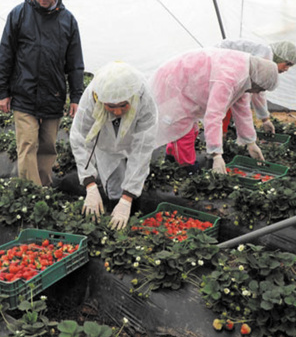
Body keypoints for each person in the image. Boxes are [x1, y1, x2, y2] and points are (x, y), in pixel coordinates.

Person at [0, 0, 84, 186]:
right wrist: (2, 91)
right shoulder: (19, 14)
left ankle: (44, 188)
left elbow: (75, 63)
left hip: (54, 94)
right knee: (27, 144)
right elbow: (6, 53)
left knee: (48, 146)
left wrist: (76, 96)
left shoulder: (68, 20)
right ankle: (31, 194)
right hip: (24, 93)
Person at [151, 48, 279, 175]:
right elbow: (214, 116)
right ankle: (186, 169)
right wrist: (216, 154)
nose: (257, 92)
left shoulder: (245, 76)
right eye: (260, 89)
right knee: (182, 130)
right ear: (257, 81)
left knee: (192, 130)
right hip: (174, 82)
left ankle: (172, 159)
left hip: (188, 83)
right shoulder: (228, 79)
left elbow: (242, 110)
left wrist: (250, 141)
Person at [70, 62, 158, 230]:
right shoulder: (92, 97)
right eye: (111, 106)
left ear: (132, 98)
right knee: (114, 182)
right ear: (100, 99)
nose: (117, 112)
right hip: (106, 144)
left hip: (134, 139)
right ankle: (115, 224)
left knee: (130, 189)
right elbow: (79, 137)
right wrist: (89, 183)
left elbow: (142, 149)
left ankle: (131, 219)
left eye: (123, 105)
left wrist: (128, 197)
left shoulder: (144, 97)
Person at [215, 39, 296, 134]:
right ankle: (216, 136)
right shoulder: (264, 58)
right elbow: (258, 92)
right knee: (220, 107)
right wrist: (264, 119)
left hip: (225, 71)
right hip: (218, 63)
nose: (286, 69)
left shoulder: (265, 62)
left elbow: (257, 91)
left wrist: (265, 119)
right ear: (279, 57)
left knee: (230, 104)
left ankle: (219, 134)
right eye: (287, 64)